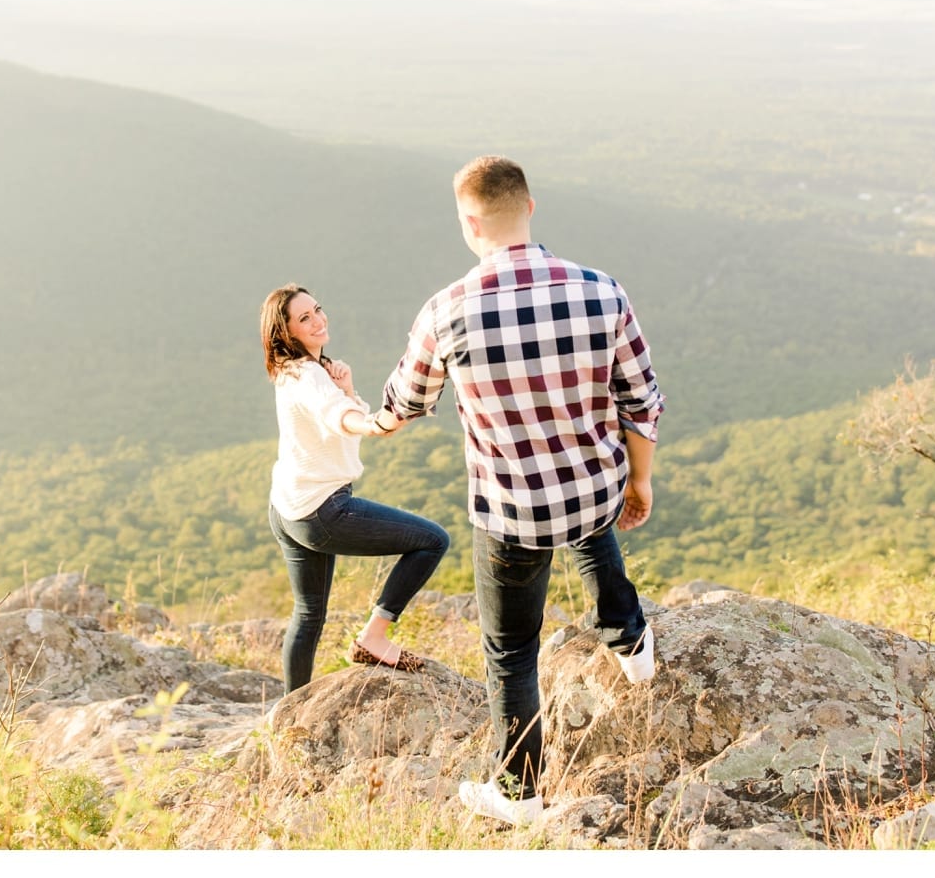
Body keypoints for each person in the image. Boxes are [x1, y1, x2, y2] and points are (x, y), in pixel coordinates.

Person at [370, 155, 665, 827]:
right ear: (530, 208)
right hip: (595, 488)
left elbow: (407, 399)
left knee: (511, 650)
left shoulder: (447, 310)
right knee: (591, 530)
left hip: (511, 510)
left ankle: (521, 791)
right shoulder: (601, 290)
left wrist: (371, 419)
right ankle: (630, 637)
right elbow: (641, 399)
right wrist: (639, 479)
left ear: (469, 222)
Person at [260, 283, 451, 695]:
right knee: (433, 540)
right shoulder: (308, 375)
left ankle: (290, 709)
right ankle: (373, 638)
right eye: (304, 318)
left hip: (287, 507)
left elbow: (338, 416)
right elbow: (341, 418)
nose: (318, 320)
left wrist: (347, 390)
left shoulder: (295, 371)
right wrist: (376, 423)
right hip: (321, 511)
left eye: (318, 310)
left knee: (309, 613)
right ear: (287, 332)